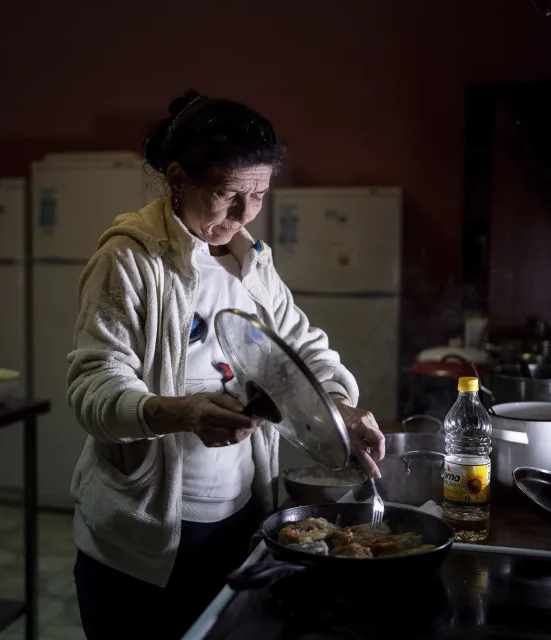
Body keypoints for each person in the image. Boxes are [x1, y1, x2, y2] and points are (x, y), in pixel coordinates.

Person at [67, 90, 385, 639]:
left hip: (238, 517)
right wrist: (183, 412)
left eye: (258, 196)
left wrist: (339, 406)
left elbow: (306, 349)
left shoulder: (249, 263)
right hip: (145, 539)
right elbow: (93, 387)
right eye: (227, 194)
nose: (243, 215)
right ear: (176, 178)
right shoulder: (129, 261)